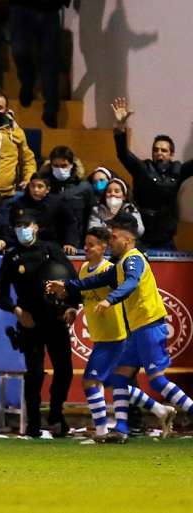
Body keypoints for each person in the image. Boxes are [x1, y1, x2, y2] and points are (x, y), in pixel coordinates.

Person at [48, 214, 193, 442]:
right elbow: (94, 282)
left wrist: (110, 299)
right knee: (118, 379)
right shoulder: (119, 264)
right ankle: (122, 430)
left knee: (156, 380)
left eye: (114, 237)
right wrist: (67, 285)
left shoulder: (133, 260)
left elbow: (131, 282)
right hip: (137, 331)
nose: (111, 241)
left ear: (127, 240)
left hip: (150, 326)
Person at [71, 227, 175, 442]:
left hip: (116, 335)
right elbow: (85, 292)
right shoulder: (83, 269)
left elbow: (128, 286)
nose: (86, 248)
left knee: (91, 381)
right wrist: (69, 303)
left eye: (92, 244)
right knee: (114, 383)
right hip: (101, 335)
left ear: (103, 247)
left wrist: (109, 300)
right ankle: (158, 411)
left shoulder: (115, 267)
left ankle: (101, 432)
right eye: (85, 244)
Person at [0, 211, 80, 437]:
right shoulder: (12, 256)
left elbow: (73, 281)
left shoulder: (52, 250)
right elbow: (0, 294)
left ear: (36, 226)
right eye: (18, 225)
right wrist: (17, 310)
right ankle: (33, 421)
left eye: (26, 224)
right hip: (29, 322)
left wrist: (71, 307)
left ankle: (56, 414)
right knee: (35, 373)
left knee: (64, 369)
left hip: (56, 318)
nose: (22, 229)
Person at [111, 98, 182, 248]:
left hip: (166, 238)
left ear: (171, 154)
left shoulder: (178, 171)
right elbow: (123, 154)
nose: (159, 153)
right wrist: (120, 126)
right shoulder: (143, 169)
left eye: (164, 150)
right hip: (142, 237)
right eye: (155, 150)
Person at [9, 0, 68, 128]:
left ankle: (51, 109)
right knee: (19, 51)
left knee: (50, 60)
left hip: (50, 9)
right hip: (21, 7)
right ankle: (27, 82)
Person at [0, 174, 77, 251]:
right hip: (24, 245)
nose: (35, 190)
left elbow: (70, 223)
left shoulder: (57, 203)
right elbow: (9, 224)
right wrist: (4, 240)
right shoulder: (20, 204)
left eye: (40, 186)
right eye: (32, 186)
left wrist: (70, 243)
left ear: (47, 189)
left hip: (51, 244)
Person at [41, 145, 96, 253]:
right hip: (49, 243)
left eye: (64, 165)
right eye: (56, 166)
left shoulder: (84, 187)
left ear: (72, 165)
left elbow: (90, 217)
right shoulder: (43, 186)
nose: (60, 169)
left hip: (77, 245)